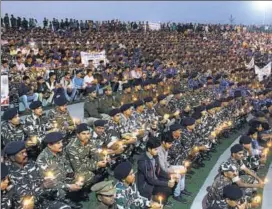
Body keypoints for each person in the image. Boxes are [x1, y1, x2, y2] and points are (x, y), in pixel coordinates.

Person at [4, 141, 71, 209]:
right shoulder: (6, 173)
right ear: (12, 157)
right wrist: (42, 187)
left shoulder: (31, 164)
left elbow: (42, 181)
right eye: (21, 153)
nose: (25, 154)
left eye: (25, 152)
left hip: (42, 201)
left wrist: (47, 182)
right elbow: (20, 197)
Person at [137, 137, 175, 204]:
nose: (157, 151)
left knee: (172, 182)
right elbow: (150, 180)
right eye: (155, 149)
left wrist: (170, 176)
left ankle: (162, 200)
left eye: (158, 149)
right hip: (147, 186)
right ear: (149, 149)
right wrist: (166, 183)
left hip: (155, 179)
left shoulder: (155, 156)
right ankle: (157, 200)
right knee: (167, 189)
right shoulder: (143, 162)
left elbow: (159, 171)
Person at [157, 135, 191, 203]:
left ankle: (182, 189)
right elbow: (162, 168)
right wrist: (175, 171)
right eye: (169, 143)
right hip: (161, 172)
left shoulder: (165, 148)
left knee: (182, 168)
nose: (171, 145)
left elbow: (165, 162)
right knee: (178, 174)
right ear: (163, 142)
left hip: (167, 167)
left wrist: (173, 168)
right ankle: (177, 195)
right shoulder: (159, 151)